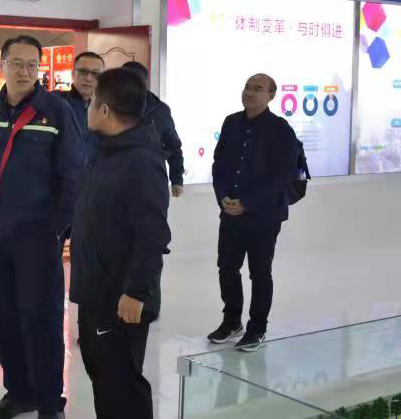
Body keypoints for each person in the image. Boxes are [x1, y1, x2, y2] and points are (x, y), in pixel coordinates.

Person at [0, 35, 83, 419]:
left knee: (41, 319)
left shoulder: (56, 111)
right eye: (17, 63)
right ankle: (19, 392)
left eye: (32, 65)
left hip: (37, 235)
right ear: (3, 65)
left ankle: (50, 402)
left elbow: (73, 174)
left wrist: (56, 228)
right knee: (2, 316)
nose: (25, 72)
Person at [70, 67, 171, 419]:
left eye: (91, 103)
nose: (87, 109)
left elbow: (152, 233)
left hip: (120, 295)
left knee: (122, 383)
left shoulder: (141, 160)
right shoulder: (106, 148)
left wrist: (136, 292)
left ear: (104, 110)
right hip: (95, 288)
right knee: (102, 375)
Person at [207, 73, 299, 352]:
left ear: (271, 96)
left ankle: (257, 327)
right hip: (230, 212)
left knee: (259, 273)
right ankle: (231, 320)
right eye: (248, 87)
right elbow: (219, 165)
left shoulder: (280, 129)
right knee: (227, 267)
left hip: (264, 215)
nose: (250, 92)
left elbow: (282, 176)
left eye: (258, 89)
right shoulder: (231, 122)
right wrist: (223, 197)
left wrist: (247, 203)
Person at [121, 61, 185, 197]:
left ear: (145, 83)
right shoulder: (110, 106)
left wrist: (177, 179)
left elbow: (173, 146)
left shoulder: (160, 110)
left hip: (152, 181)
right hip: (117, 180)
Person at [55, 51, 105, 166]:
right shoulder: (56, 103)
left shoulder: (108, 109)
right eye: (83, 72)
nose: (88, 78)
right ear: (73, 73)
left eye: (95, 74)